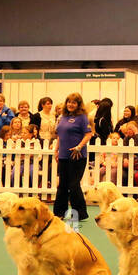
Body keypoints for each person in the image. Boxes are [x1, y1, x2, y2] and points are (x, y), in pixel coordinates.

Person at [53, 92, 93, 222]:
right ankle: (59, 213)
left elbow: (88, 134)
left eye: (74, 102)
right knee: (62, 185)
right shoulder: (62, 117)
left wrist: (79, 146)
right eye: (69, 102)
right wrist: (56, 150)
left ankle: (80, 213)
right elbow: (59, 135)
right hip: (63, 156)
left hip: (77, 156)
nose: (71, 104)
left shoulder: (82, 118)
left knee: (74, 184)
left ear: (78, 104)